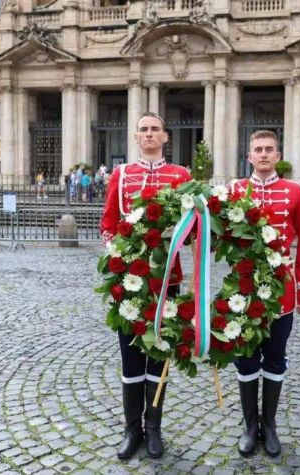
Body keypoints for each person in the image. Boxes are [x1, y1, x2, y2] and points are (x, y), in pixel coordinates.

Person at [100, 112, 191, 460]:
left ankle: (154, 428)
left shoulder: (181, 176)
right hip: (129, 280)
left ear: (165, 137)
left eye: (155, 129)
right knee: (130, 357)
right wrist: (118, 255)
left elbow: (192, 228)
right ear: (135, 137)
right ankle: (131, 428)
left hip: (167, 280)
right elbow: (108, 223)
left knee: (159, 355)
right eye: (143, 129)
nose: (149, 134)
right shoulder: (122, 175)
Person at [229, 130, 300, 458]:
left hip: (282, 293)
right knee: (246, 357)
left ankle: (271, 424)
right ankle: (250, 426)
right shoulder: (235, 190)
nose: (263, 155)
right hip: (243, 290)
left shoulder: (294, 191)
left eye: (269, 150)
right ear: (249, 156)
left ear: (277, 155)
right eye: (257, 150)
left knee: (275, 357)